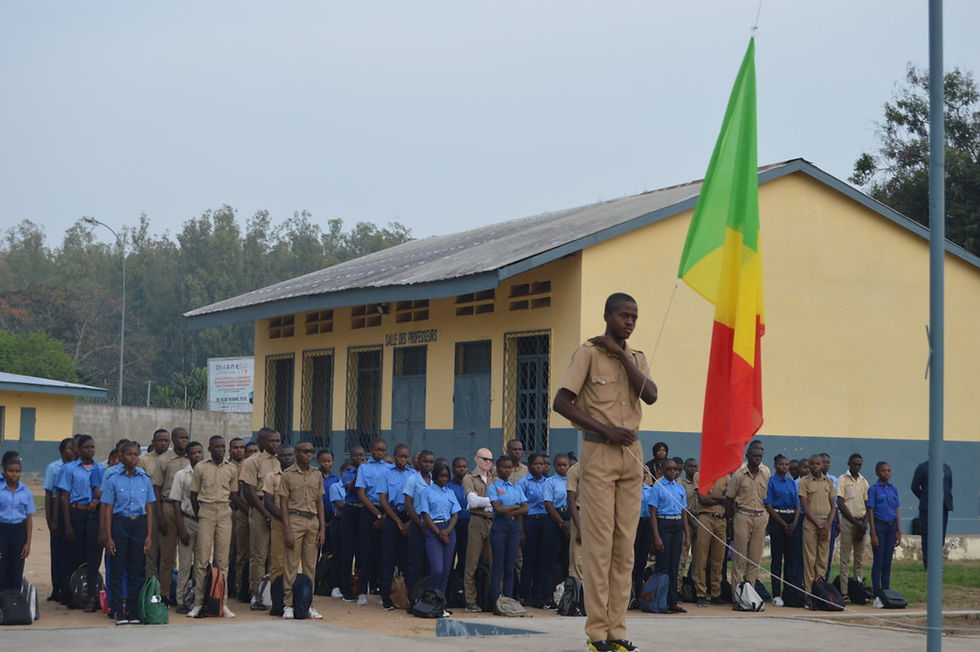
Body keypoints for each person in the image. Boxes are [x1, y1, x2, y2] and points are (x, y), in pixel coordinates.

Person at [553, 292, 657, 652]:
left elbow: (651, 395)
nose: (629, 322)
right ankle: (597, 633)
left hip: (632, 455)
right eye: (623, 315)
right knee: (599, 546)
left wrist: (622, 357)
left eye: (634, 317)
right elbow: (561, 401)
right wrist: (606, 429)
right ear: (607, 316)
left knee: (625, 547)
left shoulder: (636, 357)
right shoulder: (587, 353)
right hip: (599, 450)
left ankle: (617, 630)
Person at [100, 442, 154, 624]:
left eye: (136, 454)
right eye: (129, 454)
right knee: (117, 568)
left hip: (138, 525)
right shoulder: (113, 479)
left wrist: (148, 535)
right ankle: (117, 610)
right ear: (121, 457)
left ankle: (132, 610)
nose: (133, 458)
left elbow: (149, 507)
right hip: (119, 524)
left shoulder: (144, 479)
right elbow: (107, 509)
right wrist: (108, 537)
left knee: (135, 570)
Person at [187, 435, 239, 618]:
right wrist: (200, 514)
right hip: (206, 511)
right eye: (216, 447)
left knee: (222, 561)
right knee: (201, 559)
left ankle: (221, 603)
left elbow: (234, 494)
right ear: (209, 449)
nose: (220, 450)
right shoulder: (201, 467)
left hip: (224, 512)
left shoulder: (231, 468)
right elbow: (193, 495)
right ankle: (198, 603)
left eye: (223, 446)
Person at [56, 434, 104, 611]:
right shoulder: (69, 469)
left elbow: (103, 493)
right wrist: (67, 524)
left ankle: (89, 594)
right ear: (79, 449)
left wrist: (97, 501)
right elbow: (65, 497)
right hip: (76, 512)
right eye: (86, 447)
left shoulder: (100, 468)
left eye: (92, 447)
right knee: (73, 555)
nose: (89, 450)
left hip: (93, 514)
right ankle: (71, 595)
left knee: (90, 556)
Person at [277, 441, 325, 620]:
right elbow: (283, 504)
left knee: (310, 565)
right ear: (296, 453)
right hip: (295, 519)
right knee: (291, 564)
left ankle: (309, 604)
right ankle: (288, 604)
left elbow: (319, 502)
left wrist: (322, 529)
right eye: (305, 451)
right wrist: (287, 529)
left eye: (311, 451)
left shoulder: (316, 474)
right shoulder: (287, 475)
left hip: (312, 521)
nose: (308, 454)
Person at [239, 428, 282, 608]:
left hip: (279, 509)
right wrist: (265, 513)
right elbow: (249, 491)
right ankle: (256, 594)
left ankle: (272, 593)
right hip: (260, 508)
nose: (275, 444)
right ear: (261, 442)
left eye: (277, 440)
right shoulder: (252, 462)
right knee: (259, 555)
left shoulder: (282, 460)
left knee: (276, 555)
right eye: (271, 441)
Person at [152, 426, 190, 602]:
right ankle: (164, 594)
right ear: (173, 440)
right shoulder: (163, 460)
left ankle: (184, 594)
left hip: (187, 510)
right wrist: (160, 517)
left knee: (187, 556)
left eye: (186, 437)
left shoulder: (192, 458)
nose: (184, 440)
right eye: (181, 437)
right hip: (168, 508)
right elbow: (156, 488)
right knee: (167, 556)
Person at [377, 444, 415, 610]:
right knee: (388, 560)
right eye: (400, 456)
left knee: (407, 559)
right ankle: (386, 598)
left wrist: (409, 522)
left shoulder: (413, 475)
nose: (402, 460)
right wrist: (398, 522)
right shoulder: (386, 474)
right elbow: (383, 500)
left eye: (405, 457)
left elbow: (418, 499)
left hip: (409, 517)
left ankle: (408, 597)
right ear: (394, 456)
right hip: (392, 517)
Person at [727, 443, 770, 590]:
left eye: (760, 456)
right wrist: (731, 520)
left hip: (760, 516)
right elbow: (729, 499)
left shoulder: (766, 473)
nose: (757, 459)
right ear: (747, 456)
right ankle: (737, 593)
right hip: (743, 515)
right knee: (740, 557)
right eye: (754, 456)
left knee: (755, 558)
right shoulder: (739, 475)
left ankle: (749, 592)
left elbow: (767, 497)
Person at [649, 458, 690, 613]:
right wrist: (656, 536)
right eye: (669, 469)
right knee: (663, 565)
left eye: (675, 469)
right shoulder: (658, 487)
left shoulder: (680, 488)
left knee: (675, 565)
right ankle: (661, 601)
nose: (673, 472)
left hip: (677, 525)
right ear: (662, 470)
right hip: (664, 523)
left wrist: (687, 536)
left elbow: (684, 513)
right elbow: (653, 513)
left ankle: (673, 601)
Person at [169, 441, 205, 612]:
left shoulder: (207, 472)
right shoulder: (181, 475)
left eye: (200, 452)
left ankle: (198, 599)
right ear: (188, 456)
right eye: (194, 453)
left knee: (201, 563)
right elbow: (175, 502)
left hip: (204, 521)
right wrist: (181, 528)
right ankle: (181, 599)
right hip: (188, 520)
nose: (197, 455)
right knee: (184, 564)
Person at [418, 461, 461, 600]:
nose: (444, 479)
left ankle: (440, 602)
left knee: (446, 571)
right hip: (433, 530)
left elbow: (455, 513)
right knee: (437, 569)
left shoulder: (450, 492)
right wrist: (438, 533)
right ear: (435, 476)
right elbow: (425, 514)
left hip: (449, 529)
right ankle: (429, 597)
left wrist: (448, 531)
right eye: (441, 476)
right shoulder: (426, 492)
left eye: (446, 476)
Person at [488, 456, 527, 606]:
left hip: (514, 527)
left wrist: (510, 511)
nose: (507, 470)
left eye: (509, 467)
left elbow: (526, 508)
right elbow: (497, 508)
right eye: (504, 467)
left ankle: (509, 600)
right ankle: (495, 600)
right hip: (499, 526)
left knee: (510, 566)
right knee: (498, 565)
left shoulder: (516, 487)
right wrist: (516, 507)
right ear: (498, 469)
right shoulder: (493, 487)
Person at [355, 438, 390, 604]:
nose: (380, 453)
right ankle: (362, 591)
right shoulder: (364, 467)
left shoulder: (389, 468)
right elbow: (361, 494)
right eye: (377, 450)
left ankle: (382, 592)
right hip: (369, 510)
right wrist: (377, 515)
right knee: (365, 552)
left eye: (382, 450)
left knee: (383, 554)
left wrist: (384, 515)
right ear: (371, 449)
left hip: (386, 510)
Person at [461, 447, 495, 612]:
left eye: (490, 460)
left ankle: (490, 598)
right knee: (472, 562)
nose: (487, 462)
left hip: (493, 520)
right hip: (477, 520)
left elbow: (503, 499)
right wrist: (493, 501)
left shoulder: (494, 478)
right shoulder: (469, 478)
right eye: (484, 459)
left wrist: (486, 501)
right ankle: (470, 600)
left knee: (492, 561)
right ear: (476, 459)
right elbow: (473, 502)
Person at [798, 453, 837, 600]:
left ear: (822, 465)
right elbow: (804, 505)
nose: (815, 466)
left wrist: (827, 525)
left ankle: (820, 592)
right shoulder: (804, 482)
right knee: (810, 559)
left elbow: (833, 506)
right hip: (811, 523)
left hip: (826, 523)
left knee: (823, 559)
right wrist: (819, 524)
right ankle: (809, 594)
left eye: (818, 464)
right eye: (812, 464)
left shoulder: (829, 482)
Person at [764, 454, 798, 606]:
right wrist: (784, 525)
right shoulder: (771, 482)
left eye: (786, 464)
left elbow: (797, 505)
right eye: (781, 464)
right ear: (775, 466)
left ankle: (789, 592)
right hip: (778, 520)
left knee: (790, 560)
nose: (784, 467)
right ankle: (777, 594)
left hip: (791, 520)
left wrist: (793, 524)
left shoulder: (791, 483)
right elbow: (769, 506)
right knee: (777, 560)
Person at [692, 470, 730, 606]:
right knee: (701, 557)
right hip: (705, 517)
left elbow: (729, 500)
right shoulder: (700, 474)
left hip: (721, 520)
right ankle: (701, 593)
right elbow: (703, 500)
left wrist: (712, 496)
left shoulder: (726, 476)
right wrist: (721, 498)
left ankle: (716, 593)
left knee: (718, 559)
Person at [517, 452, 550, 608]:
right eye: (536, 464)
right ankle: (526, 595)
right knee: (528, 560)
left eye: (541, 464)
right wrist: (521, 531)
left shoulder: (547, 482)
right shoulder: (523, 483)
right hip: (529, 522)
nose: (539, 466)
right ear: (529, 466)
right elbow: (520, 508)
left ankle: (538, 594)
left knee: (541, 560)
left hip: (545, 522)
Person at [43, 437, 74, 602]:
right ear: (62, 450)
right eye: (69, 448)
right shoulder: (53, 468)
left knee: (70, 553)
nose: (72, 451)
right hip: (57, 509)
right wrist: (50, 520)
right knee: (57, 552)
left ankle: (69, 587)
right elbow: (49, 494)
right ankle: (57, 588)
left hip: (71, 508)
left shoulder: (76, 467)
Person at [868, 461, 901, 608]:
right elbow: (870, 511)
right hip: (879, 526)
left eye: (888, 470)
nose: (886, 473)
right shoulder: (874, 489)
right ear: (877, 473)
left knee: (888, 562)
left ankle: (886, 593)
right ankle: (876, 595)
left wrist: (899, 531)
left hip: (891, 527)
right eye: (883, 471)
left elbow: (896, 510)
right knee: (879, 561)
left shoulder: (893, 489)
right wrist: (873, 533)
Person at [262, 444, 295, 592]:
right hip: (279, 522)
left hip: (298, 523)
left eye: (290, 455)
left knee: (295, 562)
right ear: (278, 457)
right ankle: (276, 596)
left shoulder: (300, 476)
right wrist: (284, 518)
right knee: (277, 561)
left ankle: (294, 593)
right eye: (284, 455)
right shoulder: (271, 477)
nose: (287, 458)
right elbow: (268, 503)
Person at [837, 453, 869, 603]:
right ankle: (844, 592)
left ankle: (858, 590)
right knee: (845, 559)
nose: (857, 467)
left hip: (861, 523)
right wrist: (856, 523)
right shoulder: (843, 480)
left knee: (859, 559)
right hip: (849, 523)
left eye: (859, 465)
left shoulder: (864, 482)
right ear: (849, 464)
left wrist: (864, 524)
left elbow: (868, 505)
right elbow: (841, 503)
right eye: (854, 464)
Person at [139, 429, 170, 582]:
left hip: (169, 507)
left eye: (166, 440)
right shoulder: (144, 460)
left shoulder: (172, 459)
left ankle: (167, 586)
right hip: (150, 507)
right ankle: (151, 587)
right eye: (160, 440)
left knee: (168, 551)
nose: (163, 443)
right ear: (153, 442)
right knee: (151, 550)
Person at [910, 459, 953, 570]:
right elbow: (914, 487)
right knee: (928, 537)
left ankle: (937, 564)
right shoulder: (922, 468)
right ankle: (928, 565)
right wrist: (925, 498)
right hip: (927, 509)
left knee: (940, 537)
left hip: (943, 508)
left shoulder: (946, 468)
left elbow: (949, 486)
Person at [0, 454, 34, 592]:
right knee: (2, 568)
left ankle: (14, 600)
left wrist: (28, 543)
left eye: (18, 471)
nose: (14, 474)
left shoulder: (25, 491)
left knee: (16, 568)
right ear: (4, 472)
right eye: (11, 471)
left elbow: (29, 518)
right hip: (2, 531)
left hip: (19, 532)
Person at [403, 449, 434, 595]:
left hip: (432, 526)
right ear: (419, 463)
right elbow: (408, 504)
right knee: (415, 563)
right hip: (417, 525)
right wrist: (420, 524)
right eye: (425, 461)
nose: (428, 465)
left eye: (431, 462)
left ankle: (427, 597)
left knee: (430, 563)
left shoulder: (435, 480)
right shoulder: (413, 480)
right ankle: (412, 597)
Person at [338, 446, 365, 602]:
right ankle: (345, 588)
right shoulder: (348, 472)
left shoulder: (368, 470)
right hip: (351, 510)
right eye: (355, 455)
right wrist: (360, 473)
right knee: (347, 551)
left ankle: (360, 587)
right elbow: (350, 487)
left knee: (362, 550)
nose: (358, 458)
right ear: (351, 457)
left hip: (364, 510)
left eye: (361, 455)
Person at [543, 452, 571, 597]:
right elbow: (548, 504)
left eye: (565, 465)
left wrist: (570, 523)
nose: (562, 468)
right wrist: (562, 523)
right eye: (559, 465)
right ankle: (549, 596)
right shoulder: (550, 482)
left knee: (568, 559)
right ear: (554, 466)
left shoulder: (573, 481)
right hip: (555, 519)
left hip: (570, 518)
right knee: (551, 559)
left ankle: (567, 595)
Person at [227, 436, 249, 600]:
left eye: (242, 447)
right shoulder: (226, 466)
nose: (239, 450)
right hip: (229, 511)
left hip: (244, 513)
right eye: (235, 447)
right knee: (228, 551)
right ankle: (226, 586)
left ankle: (240, 586)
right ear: (230, 450)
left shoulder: (248, 466)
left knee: (243, 551)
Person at [631, 479, 655, 607]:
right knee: (631, 560)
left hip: (647, 524)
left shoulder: (649, 490)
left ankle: (638, 594)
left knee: (641, 561)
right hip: (634, 523)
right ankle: (629, 594)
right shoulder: (629, 488)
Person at [677, 457, 699, 589]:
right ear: (685, 468)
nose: (693, 469)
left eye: (696, 466)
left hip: (700, 522)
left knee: (698, 559)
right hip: (686, 522)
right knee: (682, 558)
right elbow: (681, 507)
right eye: (690, 466)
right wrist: (690, 522)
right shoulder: (681, 484)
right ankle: (678, 587)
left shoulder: (701, 482)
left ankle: (693, 588)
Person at [447, 457, 470, 573]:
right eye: (459, 467)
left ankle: (460, 581)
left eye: (464, 467)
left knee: (464, 556)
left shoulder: (471, 485)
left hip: (468, 523)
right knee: (450, 556)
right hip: (453, 524)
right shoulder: (448, 486)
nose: (462, 469)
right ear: (453, 469)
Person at [565, 459, 584, 580]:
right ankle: (578, 589)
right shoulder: (575, 470)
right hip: (581, 514)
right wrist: (579, 528)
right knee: (578, 558)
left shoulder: (603, 468)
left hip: (600, 516)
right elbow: (571, 499)